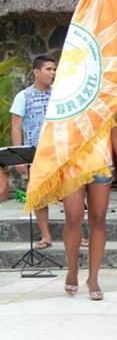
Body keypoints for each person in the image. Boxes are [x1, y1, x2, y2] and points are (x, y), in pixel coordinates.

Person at [62, 110, 117, 300]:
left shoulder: (106, 98)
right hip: (71, 163)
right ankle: (72, 269)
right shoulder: (66, 92)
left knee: (99, 218)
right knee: (73, 216)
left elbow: (115, 134)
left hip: (100, 161)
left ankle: (93, 278)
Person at [9, 55, 57, 249]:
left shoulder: (60, 93)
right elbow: (16, 128)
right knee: (38, 196)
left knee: (72, 194)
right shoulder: (23, 96)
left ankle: (77, 236)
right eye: (48, 69)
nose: (53, 73)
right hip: (35, 154)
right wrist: (20, 157)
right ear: (36, 72)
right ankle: (46, 236)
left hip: (60, 151)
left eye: (54, 69)